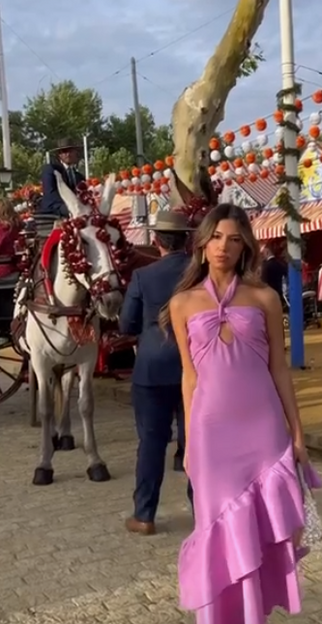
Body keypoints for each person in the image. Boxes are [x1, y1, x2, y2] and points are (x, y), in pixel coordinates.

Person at [164, 203, 322, 624]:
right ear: (201, 243)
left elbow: (279, 368)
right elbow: (189, 378)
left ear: (246, 245)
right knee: (220, 548)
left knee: (258, 545)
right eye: (216, 237)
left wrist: (296, 433)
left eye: (234, 238)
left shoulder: (265, 298)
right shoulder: (182, 303)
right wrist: (189, 444)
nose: (224, 246)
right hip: (212, 439)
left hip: (263, 433)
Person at [119, 210, 192, 536]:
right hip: (195, 366)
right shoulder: (200, 273)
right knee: (196, 443)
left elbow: (127, 324)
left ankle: (145, 514)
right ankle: (203, 511)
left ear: (156, 240)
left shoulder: (143, 276)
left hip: (152, 367)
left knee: (151, 442)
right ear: (186, 240)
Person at [38, 138, 85, 218]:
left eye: (70, 151)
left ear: (75, 152)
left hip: (75, 211)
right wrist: (70, 208)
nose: (68, 154)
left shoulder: (79, 177)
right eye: (64, 152)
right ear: (59, 155)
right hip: (53, 212)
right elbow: (51, 195)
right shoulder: (51, 170)